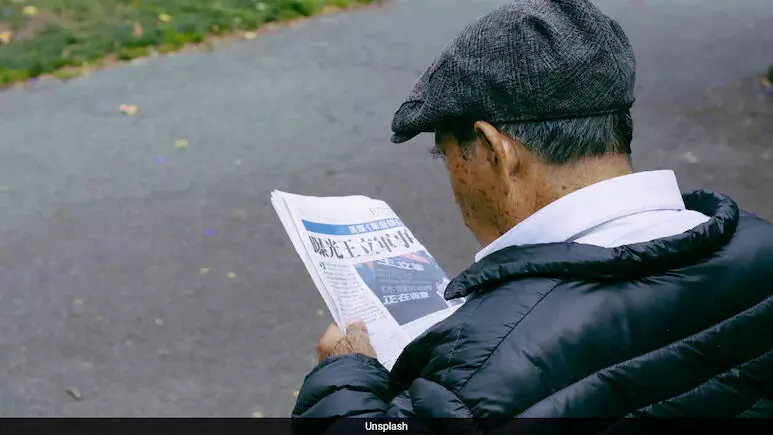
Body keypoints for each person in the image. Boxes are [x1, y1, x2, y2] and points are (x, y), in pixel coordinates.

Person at [292, 0, 773, 426]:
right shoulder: (759, 247)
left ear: (494, 149)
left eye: (446, 156)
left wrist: (345, 378)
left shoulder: (480, 366)